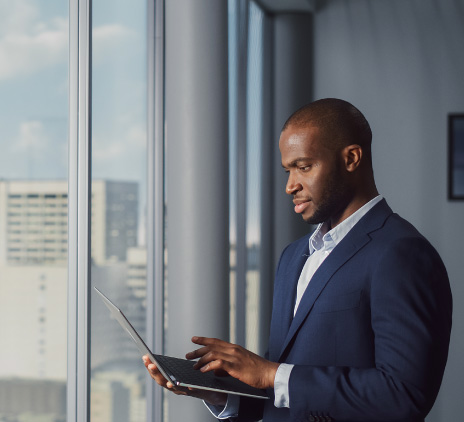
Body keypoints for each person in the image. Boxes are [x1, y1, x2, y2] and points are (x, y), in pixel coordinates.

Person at [143, 98, 452, 422]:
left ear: (351, 158)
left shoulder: (402, 253)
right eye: (288, 169)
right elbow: (281, 389)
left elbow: (404, 395)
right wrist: (217, 392)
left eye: (304, 167)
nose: (290, 185)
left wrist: (271, 374)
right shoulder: (293, 257)